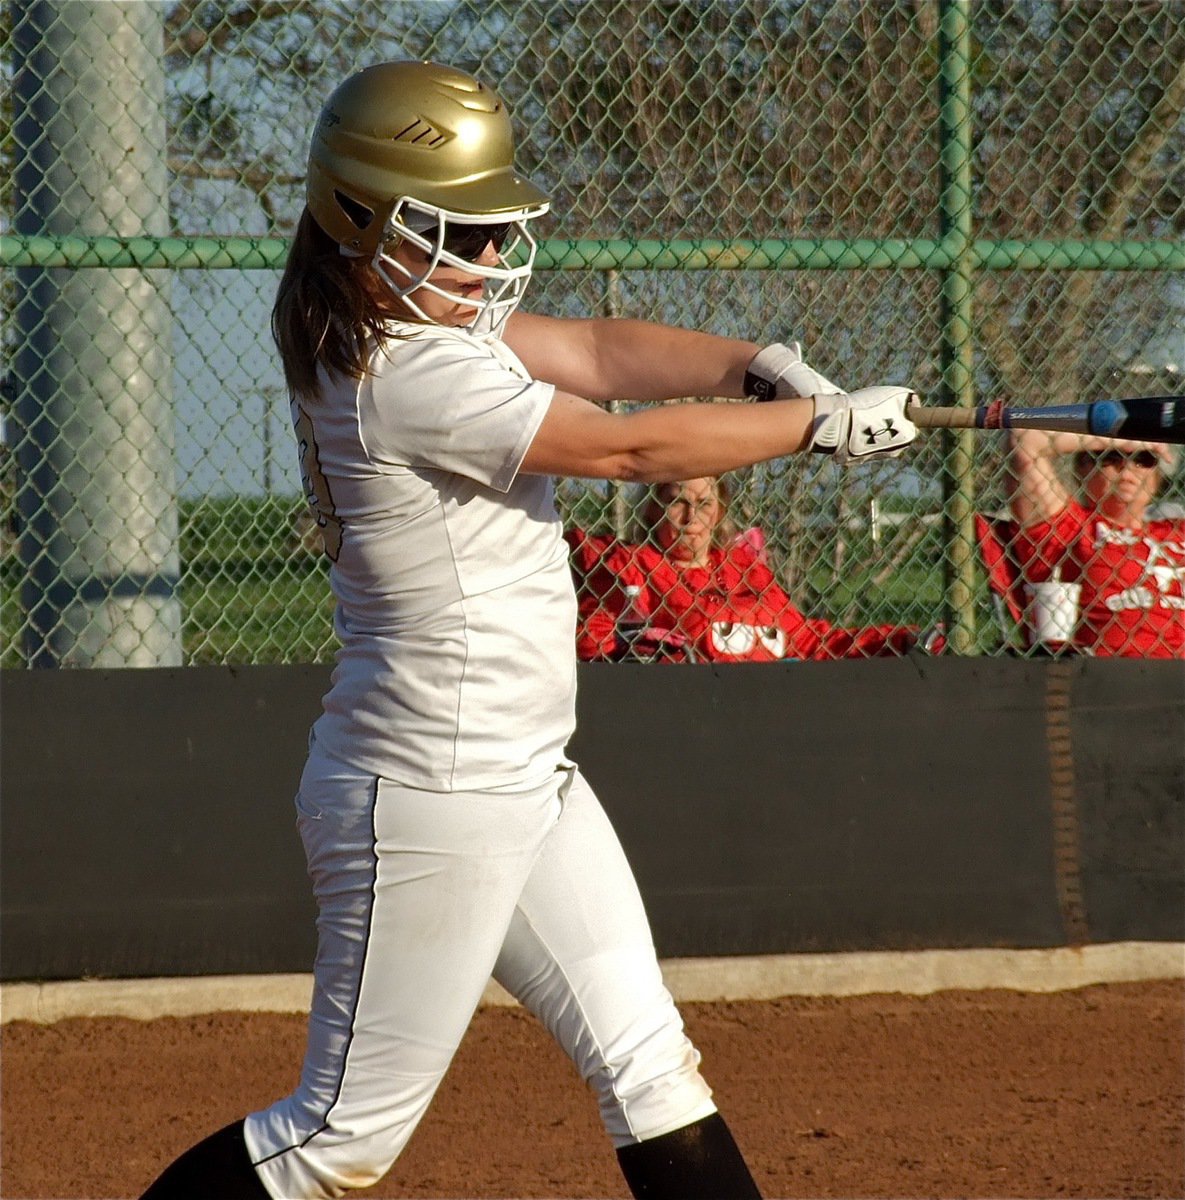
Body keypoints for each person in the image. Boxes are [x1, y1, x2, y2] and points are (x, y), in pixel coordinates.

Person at [140, 60, 919, 1200]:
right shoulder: (396, 372)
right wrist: (812, 429)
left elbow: (600, 353)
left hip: (520, 777)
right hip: (429, 794)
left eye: (495, 231)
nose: (492, 259)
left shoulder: (411, 321)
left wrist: (753, 365)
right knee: (336, 1139)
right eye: (457, 233)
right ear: (362, 222)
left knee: (651, 1067)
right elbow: (627, 449)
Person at [571, 476, 938, 663]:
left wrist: (894, 640)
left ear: (719, 510)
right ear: (652, 509)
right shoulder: (632, 565)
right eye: (676, 501)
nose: (691, 517)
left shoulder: (743, 568)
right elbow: (593, 646)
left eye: (704, 503)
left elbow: (806, 639)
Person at [1008, 429, 1184, 657]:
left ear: (1157, 477)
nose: (1127, 467)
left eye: (1143, 458)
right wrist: (1126, 437)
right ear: (1082, 469)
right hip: (1114, 676)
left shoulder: (1175, 530)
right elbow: (1024, 440)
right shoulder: (1070, 526)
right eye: (1110, 456)